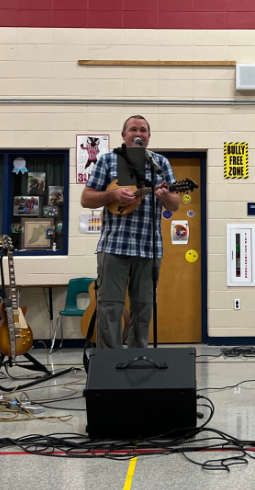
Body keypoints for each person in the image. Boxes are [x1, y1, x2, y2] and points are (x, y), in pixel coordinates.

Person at [80, 115, 181, 348]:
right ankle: (110, 361)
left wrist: (166, 197)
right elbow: (86, 199)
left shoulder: (160, 163)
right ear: (124, 135)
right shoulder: (108, 161)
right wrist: (113, 194)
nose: (138, 133)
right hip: (114, 246)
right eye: (133, 129)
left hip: (149, 248)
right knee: (109, 307)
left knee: (143, 307)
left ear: (149, 136)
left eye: (143, 130)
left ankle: (138, 358)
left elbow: (175, 204)